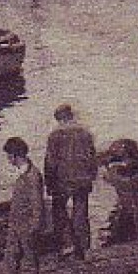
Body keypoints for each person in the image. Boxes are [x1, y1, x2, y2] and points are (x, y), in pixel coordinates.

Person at [44, 104, 99, 260]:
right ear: (71, 116)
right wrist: (91, 176)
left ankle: (67, 245)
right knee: (81, 213)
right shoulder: (85, 133)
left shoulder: (55, 135)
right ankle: (83, 248)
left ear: (59, 118)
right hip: (83, 180)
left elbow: (51, 162)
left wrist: (49, 183)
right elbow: (92, 158)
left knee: (59, 211)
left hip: (63, 181)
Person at [3, 136, 47, 274]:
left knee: (28, 267)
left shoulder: (32, 175)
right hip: (15, 227)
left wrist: (34, 227)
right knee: (11, 264)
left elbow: (37, 204)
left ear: (14, 155)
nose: (7, 159)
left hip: (26, 228)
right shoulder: (23, 173)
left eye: (8, 156)